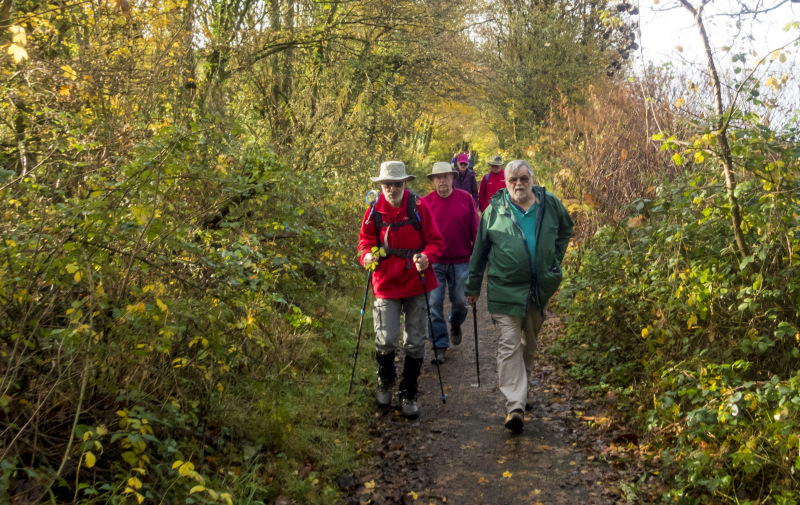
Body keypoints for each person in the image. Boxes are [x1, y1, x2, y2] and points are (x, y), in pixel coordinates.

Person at [465, 160, 574, 434]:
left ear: (532, 179)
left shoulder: (549, 204)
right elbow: (480, 249)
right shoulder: (494, 211)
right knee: (509, 344)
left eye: (523, 178)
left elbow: (566, 229)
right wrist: (473, 285)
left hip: (538, 290)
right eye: (512, 179)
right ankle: (514, 405)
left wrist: (553, 261)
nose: (518, 184)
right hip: (504, 288)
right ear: (505, 182)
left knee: (528, 344)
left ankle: (522, 390)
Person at [358, 161, 445, 419]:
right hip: (385, 282)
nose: (392, 188)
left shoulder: (418, 207)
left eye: (397, 183)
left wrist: (428, 257)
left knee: (416, 340)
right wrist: (366, 257)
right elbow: (365, 242)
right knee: (385, 337)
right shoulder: (374, 210)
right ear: (381, 185)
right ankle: (385, 380)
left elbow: (435, 241)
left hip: (417, 281)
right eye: (387, 184)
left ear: (405, 183)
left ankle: (409, 390)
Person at [420, 162, 479, 364]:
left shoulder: (466, 199)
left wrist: (478, 256)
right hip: (434, 263)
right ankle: (440, 345)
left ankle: (455, 323)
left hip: (461, 261)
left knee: (461, 302)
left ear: (453, 178)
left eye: (446, 176)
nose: (442, 181)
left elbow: (475, 231)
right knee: (433, 303)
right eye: (438, 177)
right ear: (433, 181)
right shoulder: (425, 203)